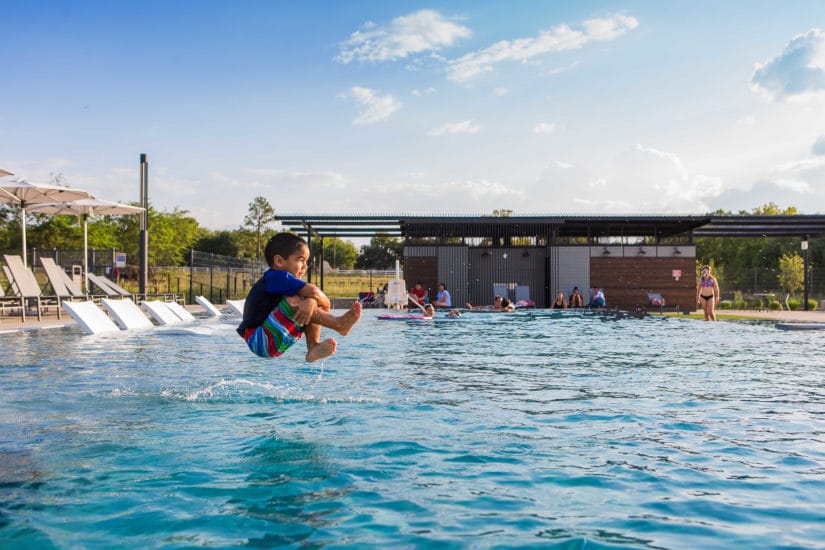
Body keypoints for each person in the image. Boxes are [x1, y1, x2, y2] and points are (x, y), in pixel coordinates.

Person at [236, 232, 362, 361]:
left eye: (306, 261)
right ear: (279, 261)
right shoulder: (276, 276)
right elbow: (315, 292)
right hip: (258, 338)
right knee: (296, 300)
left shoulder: (282, 282)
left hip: (271, 341)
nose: (305, 266)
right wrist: (312, 300)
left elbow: (323, 301)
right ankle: (338, 324)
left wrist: (312, 301)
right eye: (300, 260)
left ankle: (313, 346)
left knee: (306, 300)